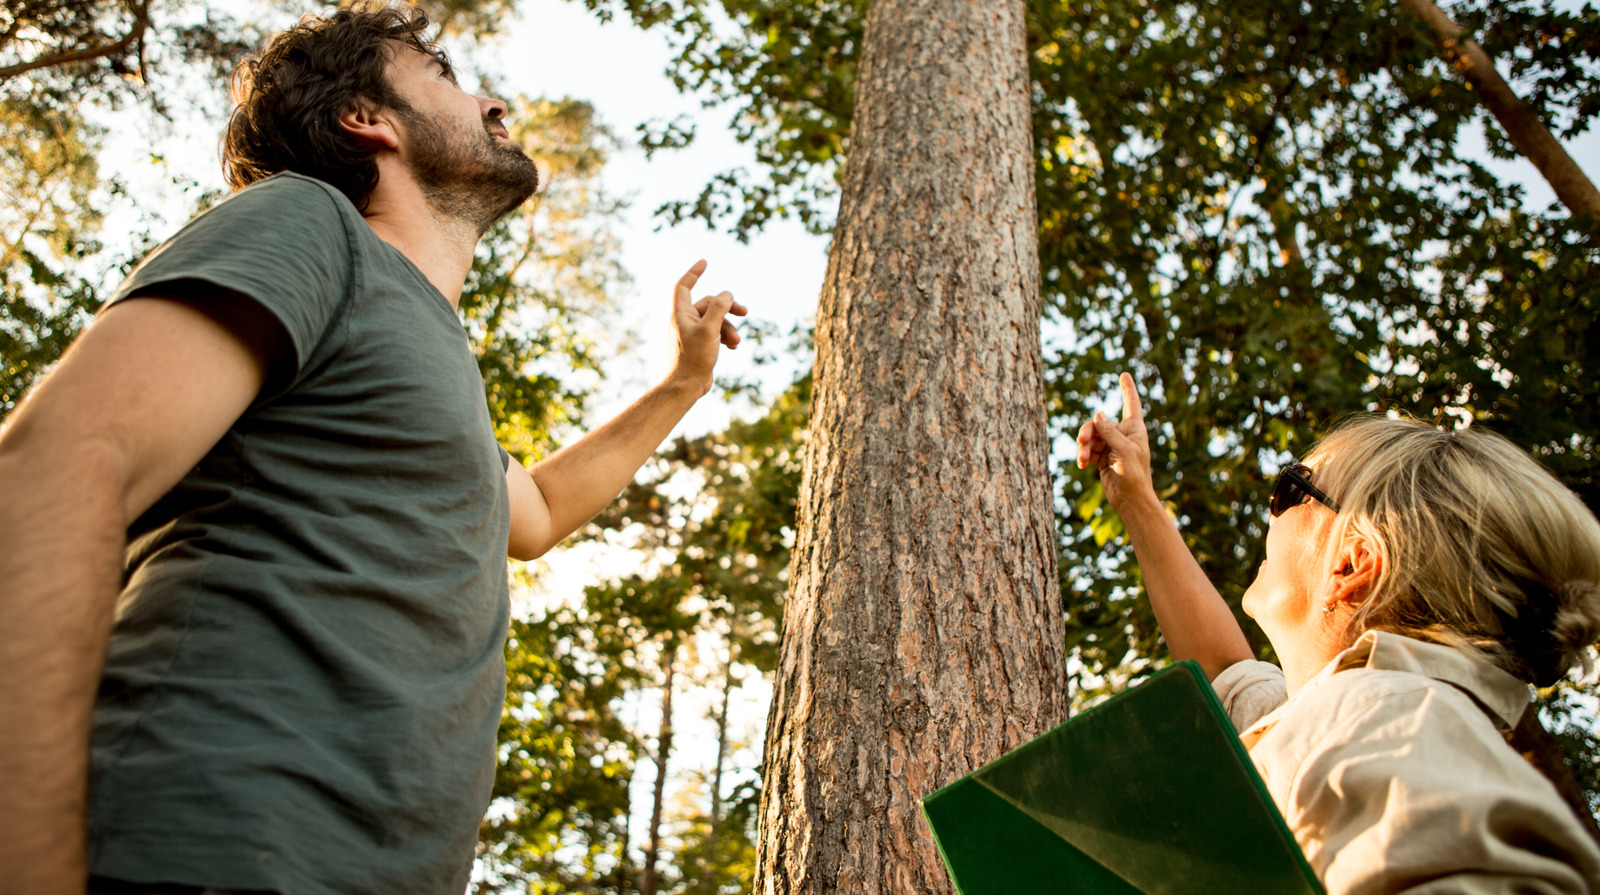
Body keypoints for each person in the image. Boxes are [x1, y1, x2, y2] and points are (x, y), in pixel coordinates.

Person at [0, 5, 746, 895]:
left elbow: (540, 512)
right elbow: (60, 467)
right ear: (367, 119)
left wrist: (683, 383)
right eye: (445, 78)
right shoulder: (312, 224)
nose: (494, 103)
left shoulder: (431, 360)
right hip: (202, 847)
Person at [1076, 372, 1600, 893]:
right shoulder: (1366, 714)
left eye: (1291, 491)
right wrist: (1137, 500)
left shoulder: (1389, 722)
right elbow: (1227, 673)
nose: (1270, 514)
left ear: (1352, 564)